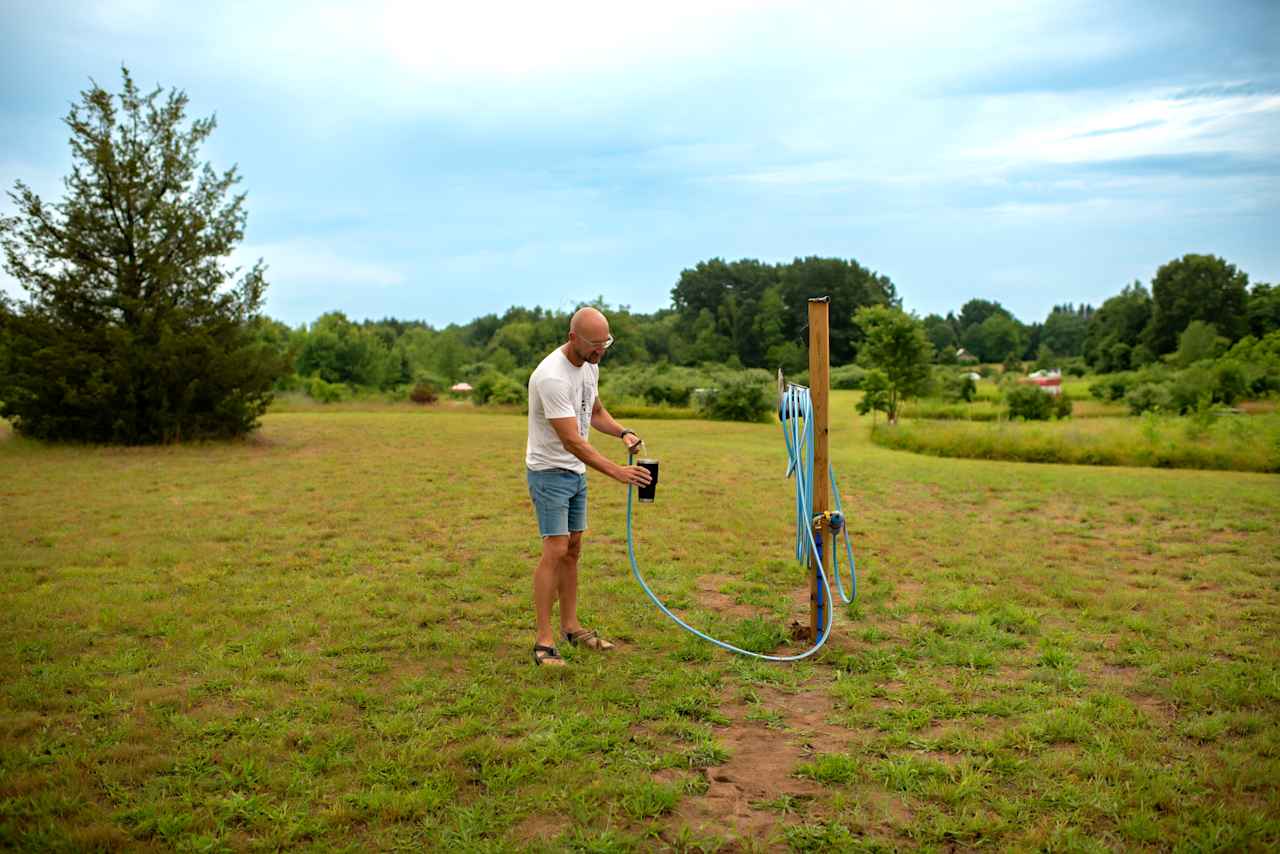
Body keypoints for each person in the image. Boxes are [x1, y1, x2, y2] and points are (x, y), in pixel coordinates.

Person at [525, 307, 652, 667]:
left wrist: (622, 431)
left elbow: (594, 413)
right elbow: (572, 442)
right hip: (550, 470)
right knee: (556, 548)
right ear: (573, 339)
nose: (601, 352)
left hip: (575, 472)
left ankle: (571, 627)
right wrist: (617, 472)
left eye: (605, 344)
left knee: (574, 548)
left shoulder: (590, 365)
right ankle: (544, 641)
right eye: (595, 345)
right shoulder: (551, 377)